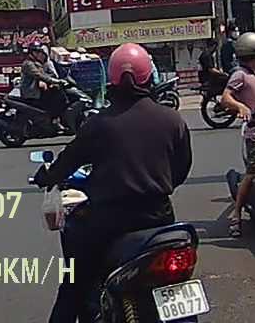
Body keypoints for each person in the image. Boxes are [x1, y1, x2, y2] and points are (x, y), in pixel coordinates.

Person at [33, 43, 193, 323]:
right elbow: (180, 170)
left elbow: (66, 163)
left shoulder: (99, 124)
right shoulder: (172, 120)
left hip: (108, 222)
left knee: (73, 284)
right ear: (148, 75)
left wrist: (46, 177)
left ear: (113, 78)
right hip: (159, 217)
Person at [220, 31, 255, 238]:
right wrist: (240, 106)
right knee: (253, 172)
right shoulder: (240, 75)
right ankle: (236, 215)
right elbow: (225, 98)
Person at [20, 43, 69, 128]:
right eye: (38, 52)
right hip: (31, 92)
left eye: (40, 52)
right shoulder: (28, 64)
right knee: (58, 98)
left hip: (38, 90)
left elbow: (46, 75)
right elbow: (40, 76)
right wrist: (56, 81)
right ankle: (54, 120)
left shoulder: (38, 63)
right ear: (32, 53)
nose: (40, 54)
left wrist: (55, 80)